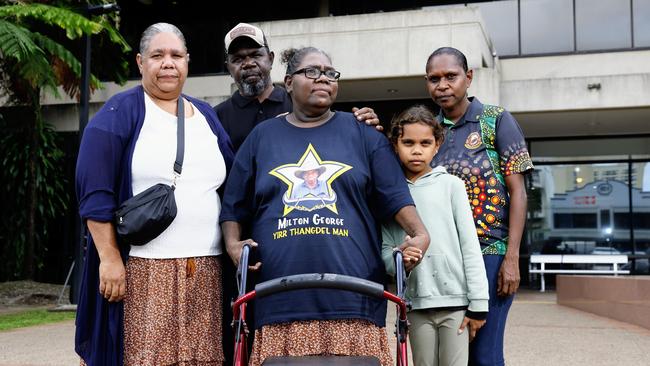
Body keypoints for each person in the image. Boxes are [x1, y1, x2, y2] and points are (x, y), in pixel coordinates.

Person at [220, 46, 430, 366]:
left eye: (330, 74)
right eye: (313, 72)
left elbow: (395, 196)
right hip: (279, 301)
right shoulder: (262, 138)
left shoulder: (364, 134)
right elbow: (234, 205)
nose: (324, 79)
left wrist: (419, 233)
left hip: (354, 299)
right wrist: (233, 244)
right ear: (288, 82)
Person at [75, 23, 234, 366]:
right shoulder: (119, 114)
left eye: (176, 55)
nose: (167, 63)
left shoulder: (206, 115)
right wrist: (110, 258)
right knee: (147, 358)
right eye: (157, 55)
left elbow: (233, 180)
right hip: (146, 272)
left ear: (187, 62)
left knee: (204, 359)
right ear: (140, 62)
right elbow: (95, 195)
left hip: (206, 269)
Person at [425, 47, 534, 366]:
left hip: (491, 256)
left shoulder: (496, 119)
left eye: (450, 76)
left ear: (468, 77)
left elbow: (519, 193)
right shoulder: (430, 131)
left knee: (484, 355)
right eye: (434, 79)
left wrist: (511, 258)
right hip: (446, 262)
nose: (442, 85)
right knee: (453, 355)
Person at [381, 105, 489, 366]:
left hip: (456, 303)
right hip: (415, 306)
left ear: (437, 144)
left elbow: (469, 246)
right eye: (408, 142)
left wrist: (479, 303)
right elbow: (385, 249)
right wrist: (399, 259)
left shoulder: (452, 186)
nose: (417, 150)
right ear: (395, 143)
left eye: (425, 142)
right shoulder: (389, 193)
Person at [215, 22, 381, 151]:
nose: (248, 64)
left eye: (256, 55)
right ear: (228, 67)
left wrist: (362, 125)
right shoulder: (215, 118)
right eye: (238, 59)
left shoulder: (302, 104)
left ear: (271, 59)